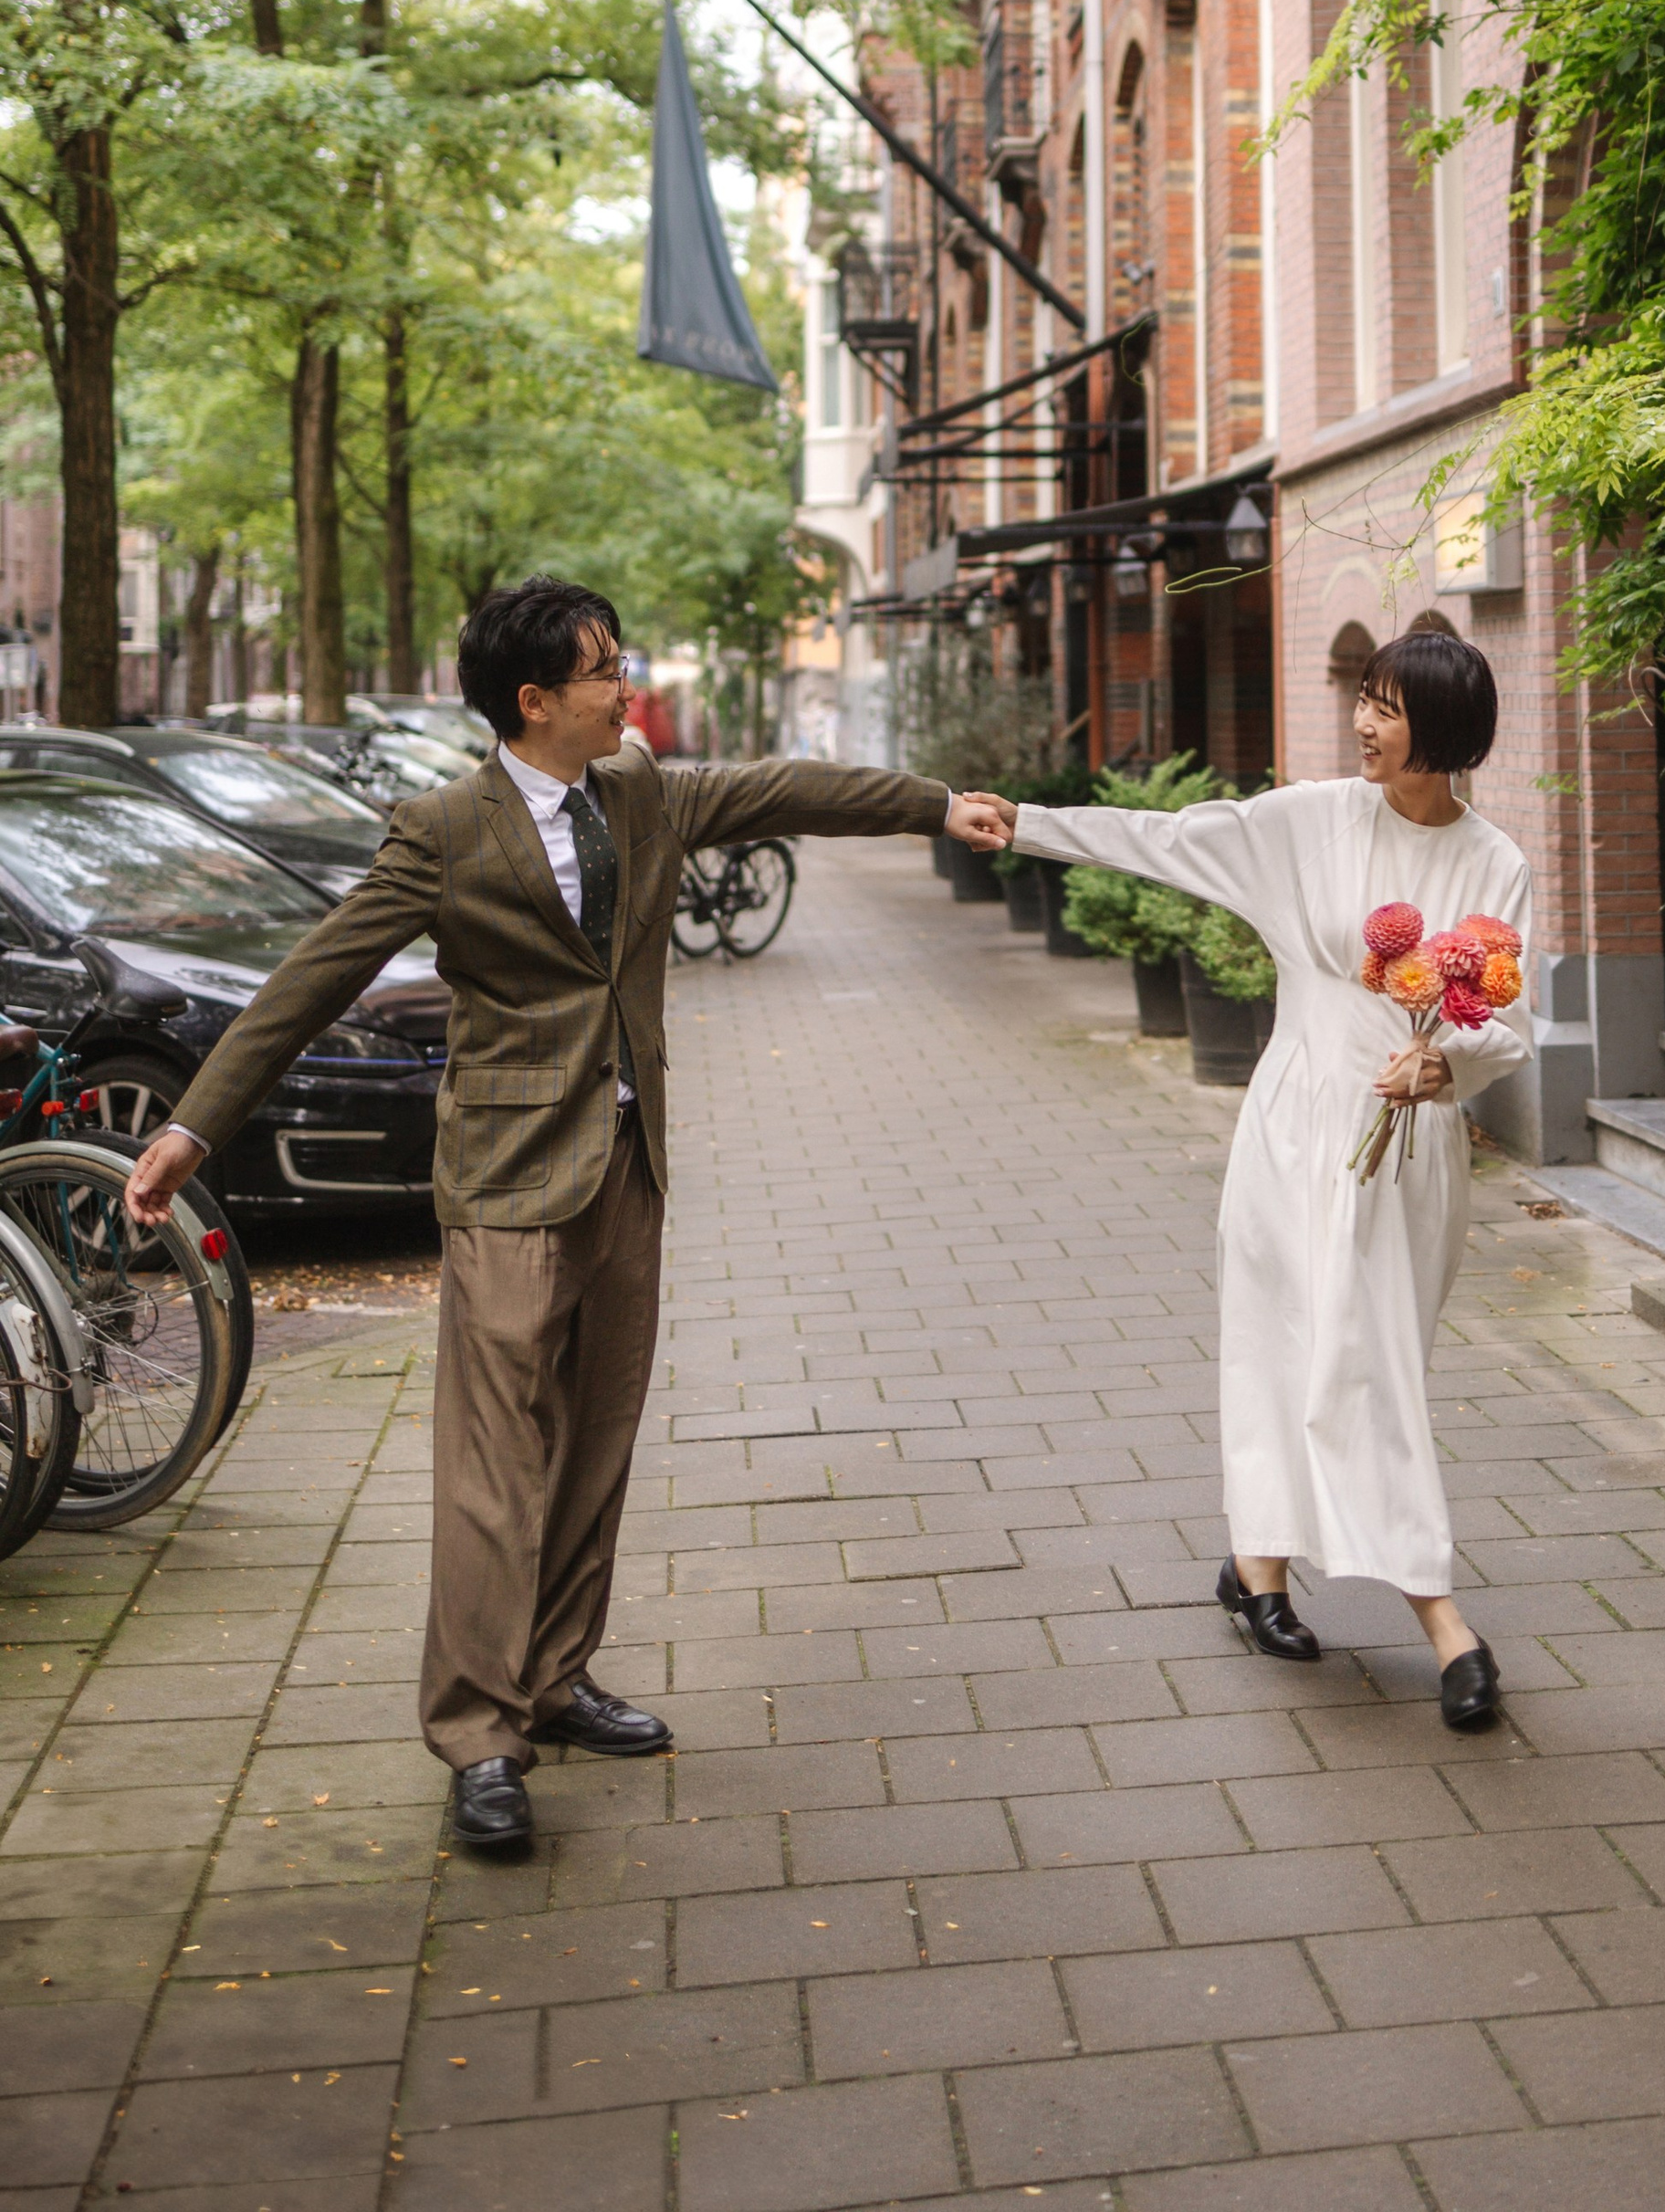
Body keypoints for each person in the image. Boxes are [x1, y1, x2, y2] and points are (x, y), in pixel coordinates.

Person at [125, 576, 1011, 1853]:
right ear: (533, 700)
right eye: (603, 671)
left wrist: (934, 805)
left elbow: (781, 788)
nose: (625, 687)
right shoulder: (442, 831)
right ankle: (480, 1733)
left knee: (596, 1443)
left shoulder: (639, 791)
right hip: (506, 1186)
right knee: (497, 1469)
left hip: (626, 1173)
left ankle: (555, 1677)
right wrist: (188, 1127)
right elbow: (311, 981)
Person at [1004, 629, 1528, 1731]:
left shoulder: (1496, 862)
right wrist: (1025, 823)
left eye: (1386, 707)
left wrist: (1446, 1064)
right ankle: (1422, 1620)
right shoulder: (1310, 821)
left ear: (1439, 732)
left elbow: (1507, 1025)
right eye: (1365, 701)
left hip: (1408, 1150)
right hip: (1296, 1128)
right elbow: (1170, 841)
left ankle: (1257, 1571)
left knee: (1369, 1357)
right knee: (1288, 1342)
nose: (1363, 723)